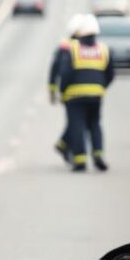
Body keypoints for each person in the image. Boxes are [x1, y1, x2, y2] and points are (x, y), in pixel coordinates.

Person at [56, 14, 114, 172]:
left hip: (74, 97)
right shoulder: (103, 49)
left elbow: (66, 73)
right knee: (95, 124)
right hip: (96, 96)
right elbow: (110, 74)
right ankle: (98, 155)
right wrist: (101, 87)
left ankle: (80, 160)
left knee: (77, 126)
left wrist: (62, 91)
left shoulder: (73, 49)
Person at [48, 23, 81, 162]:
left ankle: (63, 144)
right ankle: (70, 149)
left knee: (75, 122)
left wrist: (53, 91)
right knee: (77, 122)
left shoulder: (63, 47)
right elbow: (57, 70)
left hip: (70, 91)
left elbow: (54, 70)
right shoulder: (69, 48)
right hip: (72, 91)